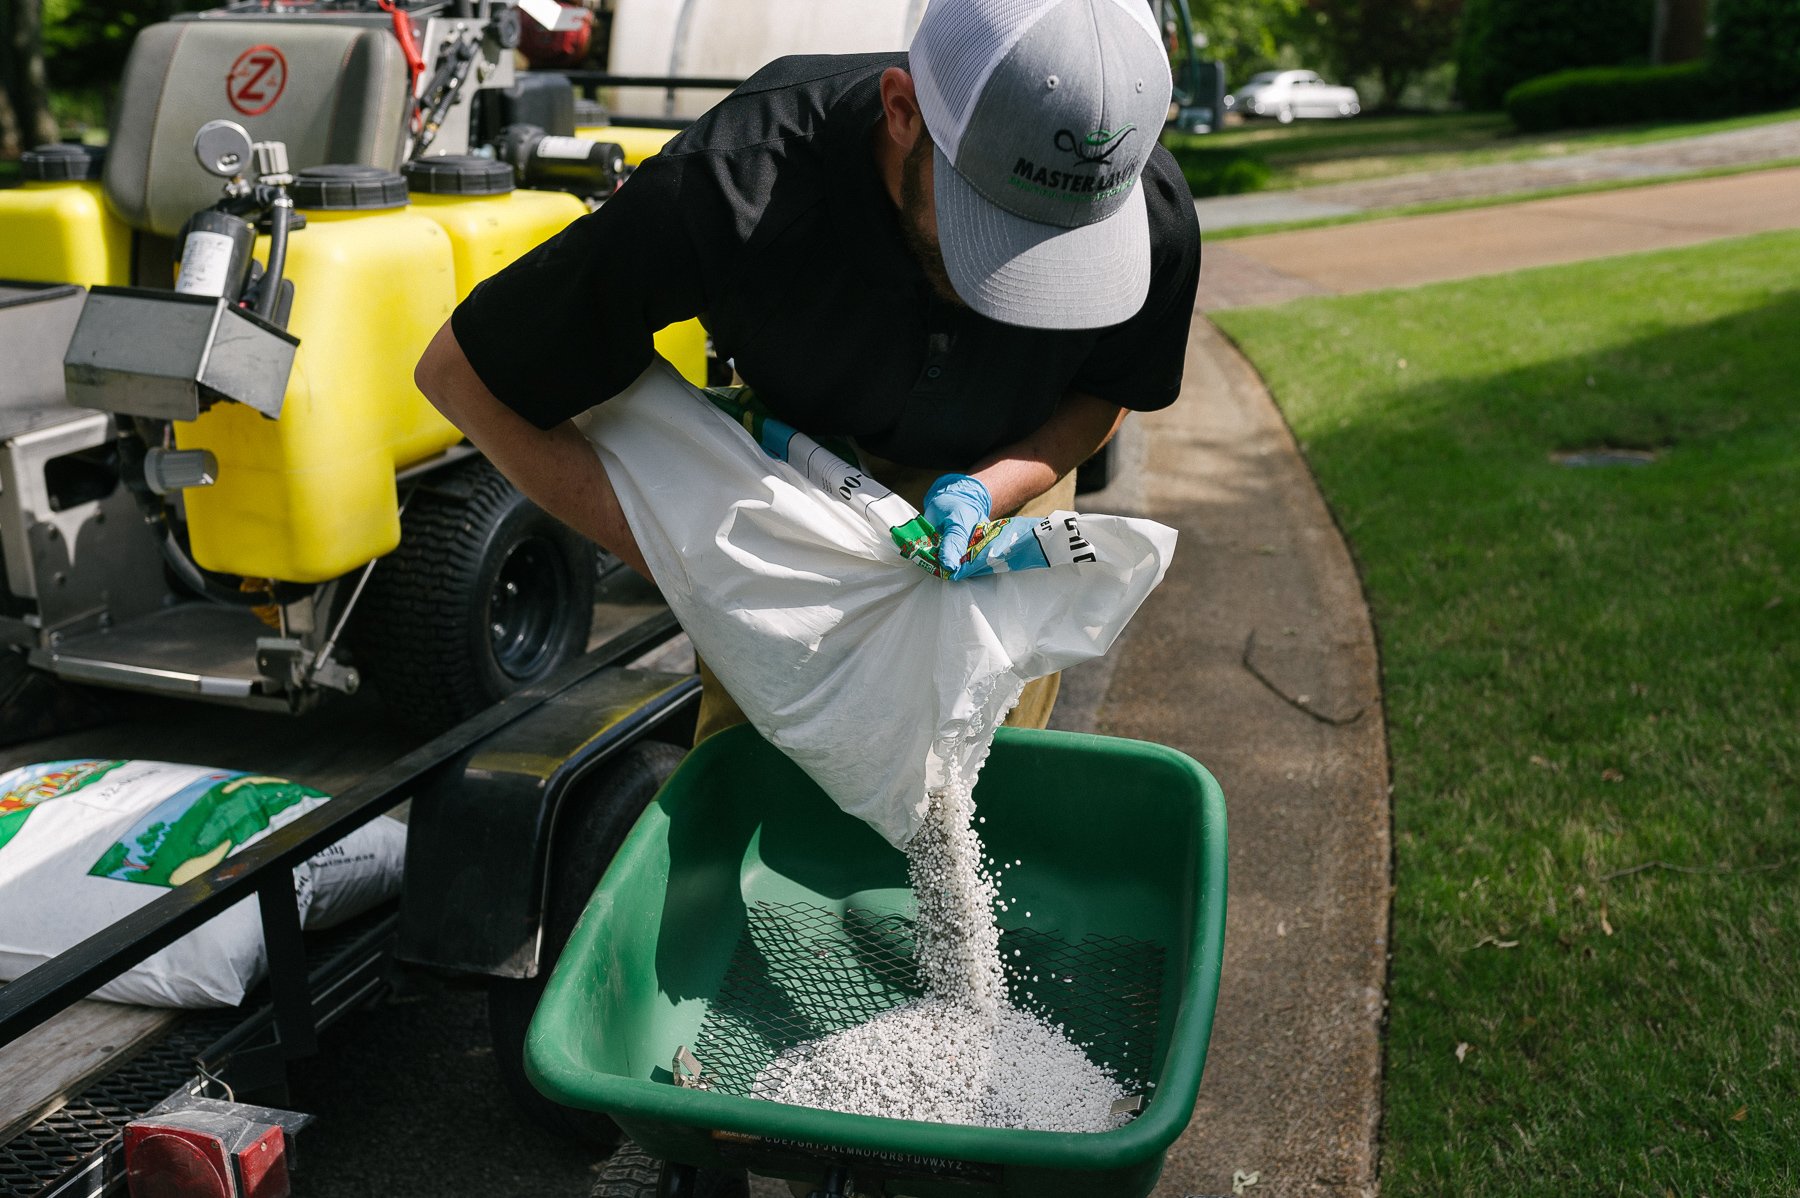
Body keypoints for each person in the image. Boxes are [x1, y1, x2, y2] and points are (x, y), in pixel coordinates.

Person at [415, 0, 1202, 742]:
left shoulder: (1152, 218)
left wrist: (989, 489)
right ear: (903, 111)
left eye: (1060, 252)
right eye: (989, 229)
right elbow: (464, 375)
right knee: (769, 794)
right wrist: (700, 562)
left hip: (1007, 491)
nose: (1014, 281)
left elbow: (1110, 388)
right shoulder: (735, 184)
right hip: (789, 502)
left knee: (983, 774)